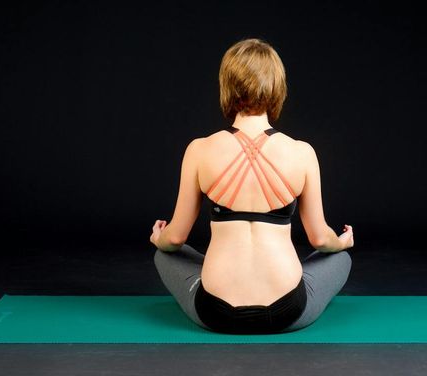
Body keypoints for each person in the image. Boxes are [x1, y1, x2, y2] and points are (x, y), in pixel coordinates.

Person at [150, 37, 353, 334]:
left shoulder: (199, 150)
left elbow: (176, 238)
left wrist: (159, 238)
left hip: (215, 311)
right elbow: (321, 239)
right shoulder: (302, 153)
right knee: (339, 258)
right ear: (277, 87)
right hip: (287, 310)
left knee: (164, 254)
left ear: (227, 86)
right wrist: (342, 242)